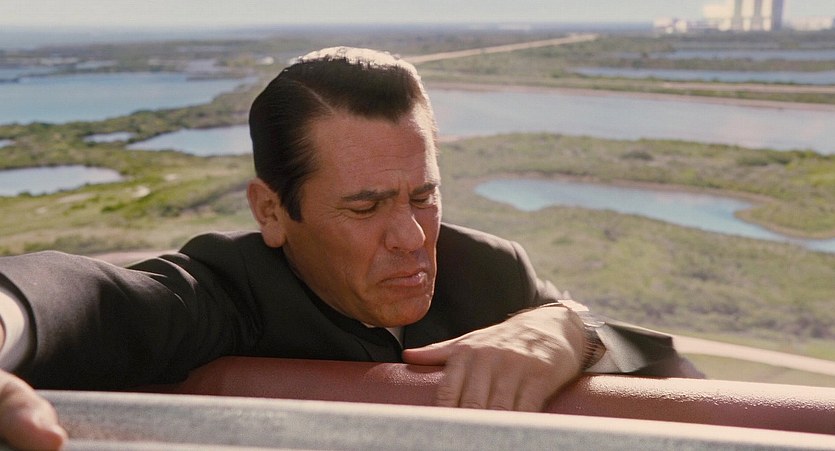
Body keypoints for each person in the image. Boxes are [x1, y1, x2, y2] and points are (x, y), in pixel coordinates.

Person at [0, 47, 698, 449]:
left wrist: (573, 330)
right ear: (272, 211)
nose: (411, 237)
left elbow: (672, 372)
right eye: (364, 207)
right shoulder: (232, 287)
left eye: (423, 195)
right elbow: (77, 295)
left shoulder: (490, 269)